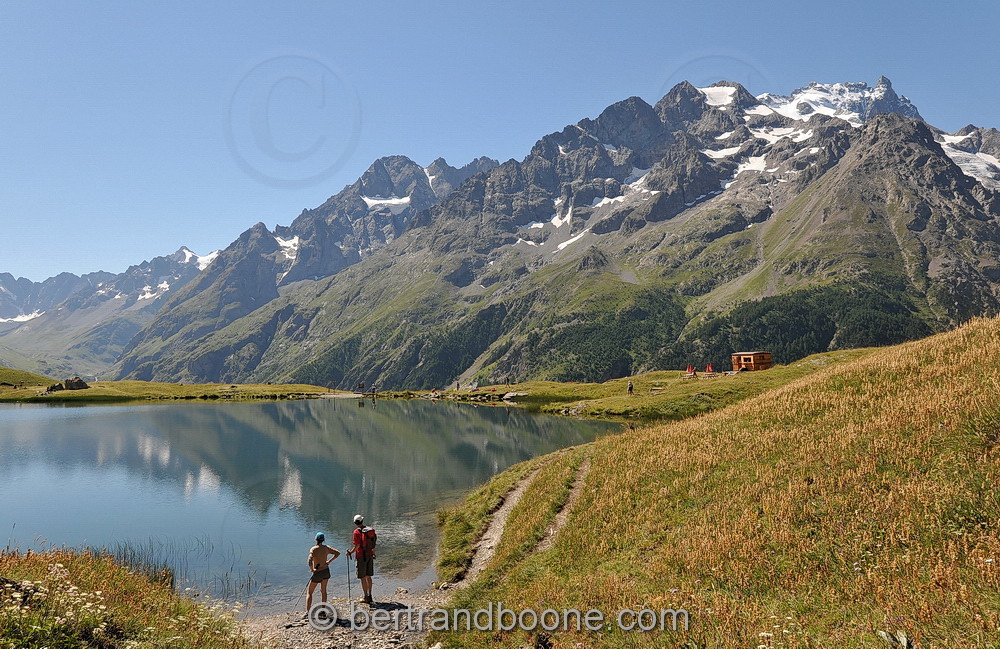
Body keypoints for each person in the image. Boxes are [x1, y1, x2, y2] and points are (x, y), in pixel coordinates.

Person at [306, 532, 340, 613]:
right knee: (323, 591)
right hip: (325, 571)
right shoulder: (326, 548)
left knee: (309, 592)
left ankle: (308, 612)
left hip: (317, 572)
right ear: (323, 540)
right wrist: (329, 561)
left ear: (316, 539)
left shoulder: (313, 549)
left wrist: (312, 570)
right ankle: (323, 610)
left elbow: (309, 561)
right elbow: (337, 553)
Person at [346, 514, 376, 604]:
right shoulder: (369, 530)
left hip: (361, 556)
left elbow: (357, 546)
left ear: (355, 523)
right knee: (368, 576)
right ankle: (370, 595)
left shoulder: (356, 532)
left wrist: (350, 552)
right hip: (370, 554)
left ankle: (365, 597)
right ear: (362, 521)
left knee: (362, 577)